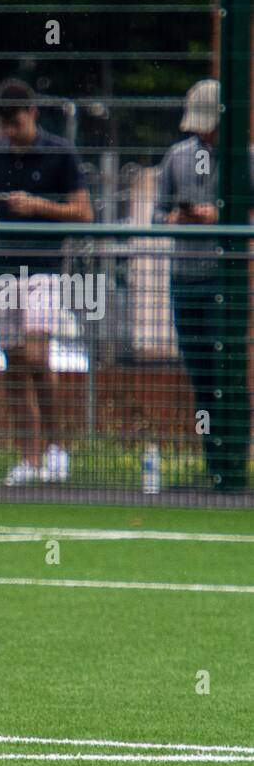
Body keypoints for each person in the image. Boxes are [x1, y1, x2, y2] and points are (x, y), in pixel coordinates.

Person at [0, 79, 91, 486]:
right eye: (4, 125)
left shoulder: (60, 153)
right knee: (14, 363)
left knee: (38, 358)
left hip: (45, 268)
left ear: (32, 114)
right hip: (7, 270)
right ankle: (29, 455)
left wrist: (37, 206)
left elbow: (84, 213)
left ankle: (57, 448)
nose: (10, 132)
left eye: (16, 123)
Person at [152, 78, 251, 491]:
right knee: (200, 374)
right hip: (184, 279)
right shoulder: (176, 157)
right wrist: (178, 219)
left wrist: (222, 219)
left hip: (224, 279)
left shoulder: (245, 160)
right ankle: (214, 461)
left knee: (228, 372)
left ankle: (234, 462)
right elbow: (157, 215)